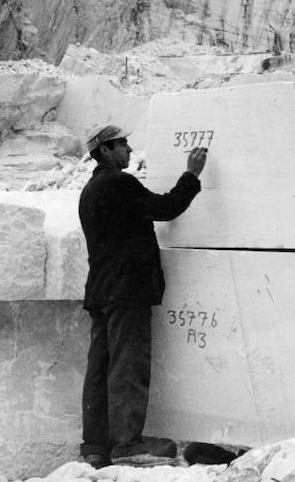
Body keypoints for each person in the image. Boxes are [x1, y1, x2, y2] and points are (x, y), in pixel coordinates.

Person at [78, 124, 208, 469]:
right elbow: (166, 208)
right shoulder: (119, 183)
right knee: (128, 366)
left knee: (100, 369)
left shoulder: (90, 189)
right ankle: (127, 446)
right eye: (123, 145)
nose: (130, 150)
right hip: (126, 290)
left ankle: (95, 446)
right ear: (105, 151)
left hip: (102, 290)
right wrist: (191, 175)